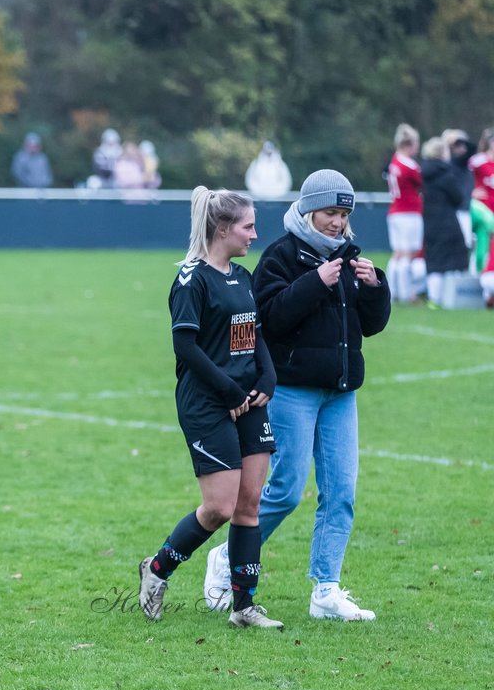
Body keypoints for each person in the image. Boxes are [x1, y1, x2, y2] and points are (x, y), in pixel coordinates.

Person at [204, 170, 391, 621]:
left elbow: (370, 326)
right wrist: (316, 282)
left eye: (344, 214)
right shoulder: (280, 257)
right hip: (292, 392)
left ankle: (326, 589)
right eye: (330, 212)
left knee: (341, 493)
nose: (337, 222)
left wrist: (374, 289)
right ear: (308, 210)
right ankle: (225, 560)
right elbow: (269, 318)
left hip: (340, 395)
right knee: (285, 491)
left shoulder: (349, 256)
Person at [136, 187, 281, 629]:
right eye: (247, 226)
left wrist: (267, 379)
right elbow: (186, 348)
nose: (255, 234)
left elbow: (253, 335)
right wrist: (230, 393)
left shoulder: (243, 276)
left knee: (249, 504)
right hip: (207, 403)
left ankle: (244, 607)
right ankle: (156, 570)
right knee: (219, 506)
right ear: (222, 229)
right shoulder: (191, 279)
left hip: (248, 399)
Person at [421, 136, 469, 307]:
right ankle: (452, 299)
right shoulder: (446, 174)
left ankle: (434, 300)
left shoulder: (423, 173)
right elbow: (458, 197)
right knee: (454, 261)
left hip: (428, 222)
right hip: (447, 222)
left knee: (434, 262)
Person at [385, 124, 424, 304]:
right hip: (409, 212)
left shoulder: (394, 161)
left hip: (395, 212)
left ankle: (391, 292)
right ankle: (407, 293)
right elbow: (421, 183)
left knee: (398, 254)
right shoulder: (410, 165)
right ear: (410, 143)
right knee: (408, 255)